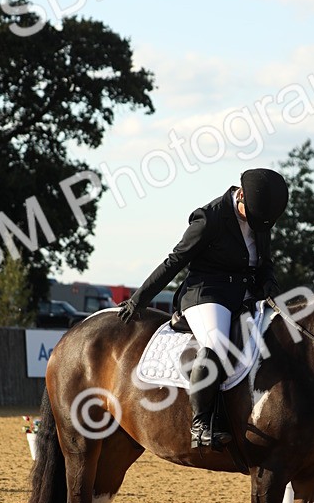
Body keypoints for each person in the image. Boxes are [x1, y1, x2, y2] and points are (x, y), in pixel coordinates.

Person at [119, 167, 289, 449]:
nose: (261, 227)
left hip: (245, 293)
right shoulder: (209, 218)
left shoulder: (261, 215)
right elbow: (175, 261)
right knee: (216, 343)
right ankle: (201, 423)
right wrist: (140, 299)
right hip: (207, 293)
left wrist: (269, 283)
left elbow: (265, 262)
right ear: (241, 195)